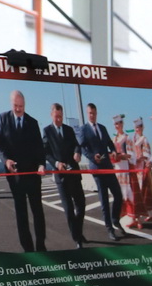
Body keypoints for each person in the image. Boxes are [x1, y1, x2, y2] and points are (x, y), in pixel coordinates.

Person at [0, 89, 47, 252]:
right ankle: (28, 248)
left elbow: (39, 147)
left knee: (37, 211)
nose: (18, 109)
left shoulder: (33, 122)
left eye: (21, 106)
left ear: (25, 105)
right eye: (16, 106)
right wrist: (6, 160)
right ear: (11, 104)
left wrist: (41, 164)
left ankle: (40, 244)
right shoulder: (3, 118)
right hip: (15, 175)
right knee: (21, 213)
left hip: (33, 175)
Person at [76, 102, 126, 241]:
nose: (92, 115)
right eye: (90, 113)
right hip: (97, 169)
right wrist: (93, 157)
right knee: (104, 200)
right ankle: (110, 229)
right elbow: (83, 148)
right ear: (87, 114)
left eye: (94, 113)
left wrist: (114, 152)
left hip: (108, 167)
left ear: (96, 113)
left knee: (118, 194)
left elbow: (109, 143)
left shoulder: (102, 128)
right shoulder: (83, 129)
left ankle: (115, 219)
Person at [42, 102, 89, 247]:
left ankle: (78, 232)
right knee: (69, 210)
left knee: (81, 205)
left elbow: (76, 144)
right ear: (51, 115)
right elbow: (46, 152)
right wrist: (56, 164)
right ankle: (77, 239)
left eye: (61, 117)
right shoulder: (47, 131)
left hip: (74, 173)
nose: (58, 119)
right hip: (61, 176)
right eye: (56, 117)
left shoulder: (68, 130)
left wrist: (77, 152)